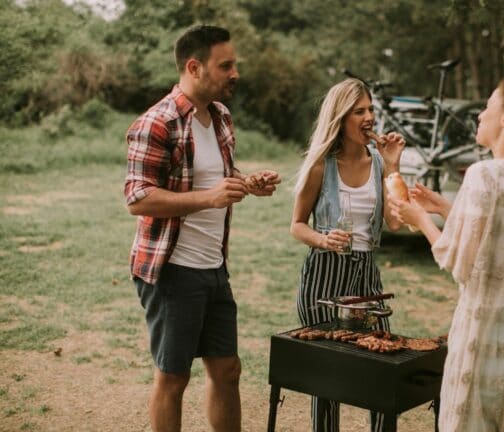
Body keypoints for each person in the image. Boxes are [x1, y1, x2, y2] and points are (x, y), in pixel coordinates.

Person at [124, 24, 281, 432]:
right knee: (173, 378)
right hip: (172, 270)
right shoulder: (157, 123)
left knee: (228, 370)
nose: (235, 73)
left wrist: (247, 183)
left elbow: (215, 177)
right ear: (194, 67)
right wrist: (208, 198)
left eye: (234, 64)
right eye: (225, 65)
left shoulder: (221, 117)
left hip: (214, 267)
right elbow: (138, 198)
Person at [390, 77, 504, 431]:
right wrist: (444, 208)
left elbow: (459, 261)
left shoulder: (483, 173)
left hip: (485, 339)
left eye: (487, 105)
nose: (480, 114)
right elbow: (497, 241)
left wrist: (419, 218)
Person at [289, 78, 405, 432]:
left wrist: (394, 166)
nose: (369, 116)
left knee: (381, 371)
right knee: (327, 381)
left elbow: (397, 222)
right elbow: (296, 225)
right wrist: (323, 240)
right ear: (341, 118)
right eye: (360, 111)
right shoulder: (320, 167)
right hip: (323, 277)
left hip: (367, 279)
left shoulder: (380, 165)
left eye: (370, 109)